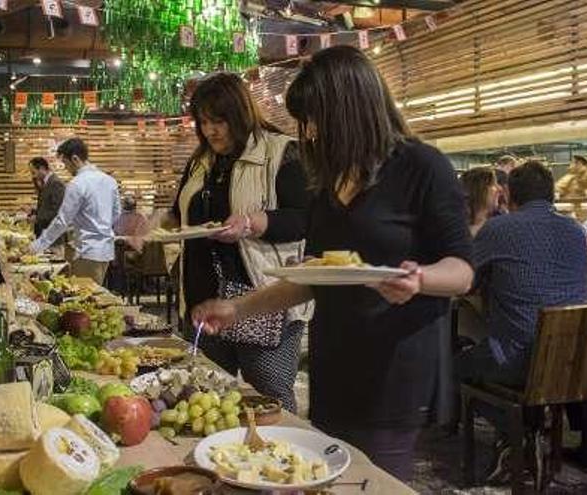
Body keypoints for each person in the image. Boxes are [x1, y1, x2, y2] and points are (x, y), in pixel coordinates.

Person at [192, 46, 474, 481]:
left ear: (351, 109)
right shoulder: (329, 182)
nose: (310, 133)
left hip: (394, 369)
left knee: (370, 483)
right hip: (333, 363)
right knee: (326, 477)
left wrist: (419, 279)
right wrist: (237, 308)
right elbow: (310, 278)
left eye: (316, 119)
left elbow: (462, 271)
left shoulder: (421, 166)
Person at [161, 72, 312, 413]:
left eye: (219, 121)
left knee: (269, 398)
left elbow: (306, 218)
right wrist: (154, 223)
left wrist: (256, 222)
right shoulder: (201, 161)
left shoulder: (281, 152)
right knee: (209, 396)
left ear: (240, 115)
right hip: (205, 297)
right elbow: (178, 214)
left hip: (262, 297)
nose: (211, 130)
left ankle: (281, 460)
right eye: (203, 122)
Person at [455, 161, 587, 480]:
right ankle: (525, 435)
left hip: (520, 361)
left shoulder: (499, 229)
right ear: (552, 194)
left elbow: (465, 281)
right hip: (574, 361)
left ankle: (515, 435)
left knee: (455, 367)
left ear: (508, 194)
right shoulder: (575, 230)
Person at [30, 138, 121, 285]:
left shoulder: (77, 183)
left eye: (65, 163)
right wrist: (99, 226)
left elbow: (62, 221)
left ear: (75, 159)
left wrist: (38, 245)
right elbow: (116, 214)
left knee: (85, 300)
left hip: (86, 250)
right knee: (94, 294)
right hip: (106, 250)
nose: (66, 168)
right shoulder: (109, 181)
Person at [28, 157, 66, 241]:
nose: (33, 176)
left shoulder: (56, 183)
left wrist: (37, 219)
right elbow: (46, 206)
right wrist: (33, 212)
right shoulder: (46, 183)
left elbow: (57, 211)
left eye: (33, 172)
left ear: (42, 169)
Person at [461, 167, 501, 237]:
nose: (499, 189)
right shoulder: (455, 226)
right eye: (493, 184)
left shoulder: (501, 222)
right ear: (478, 189)